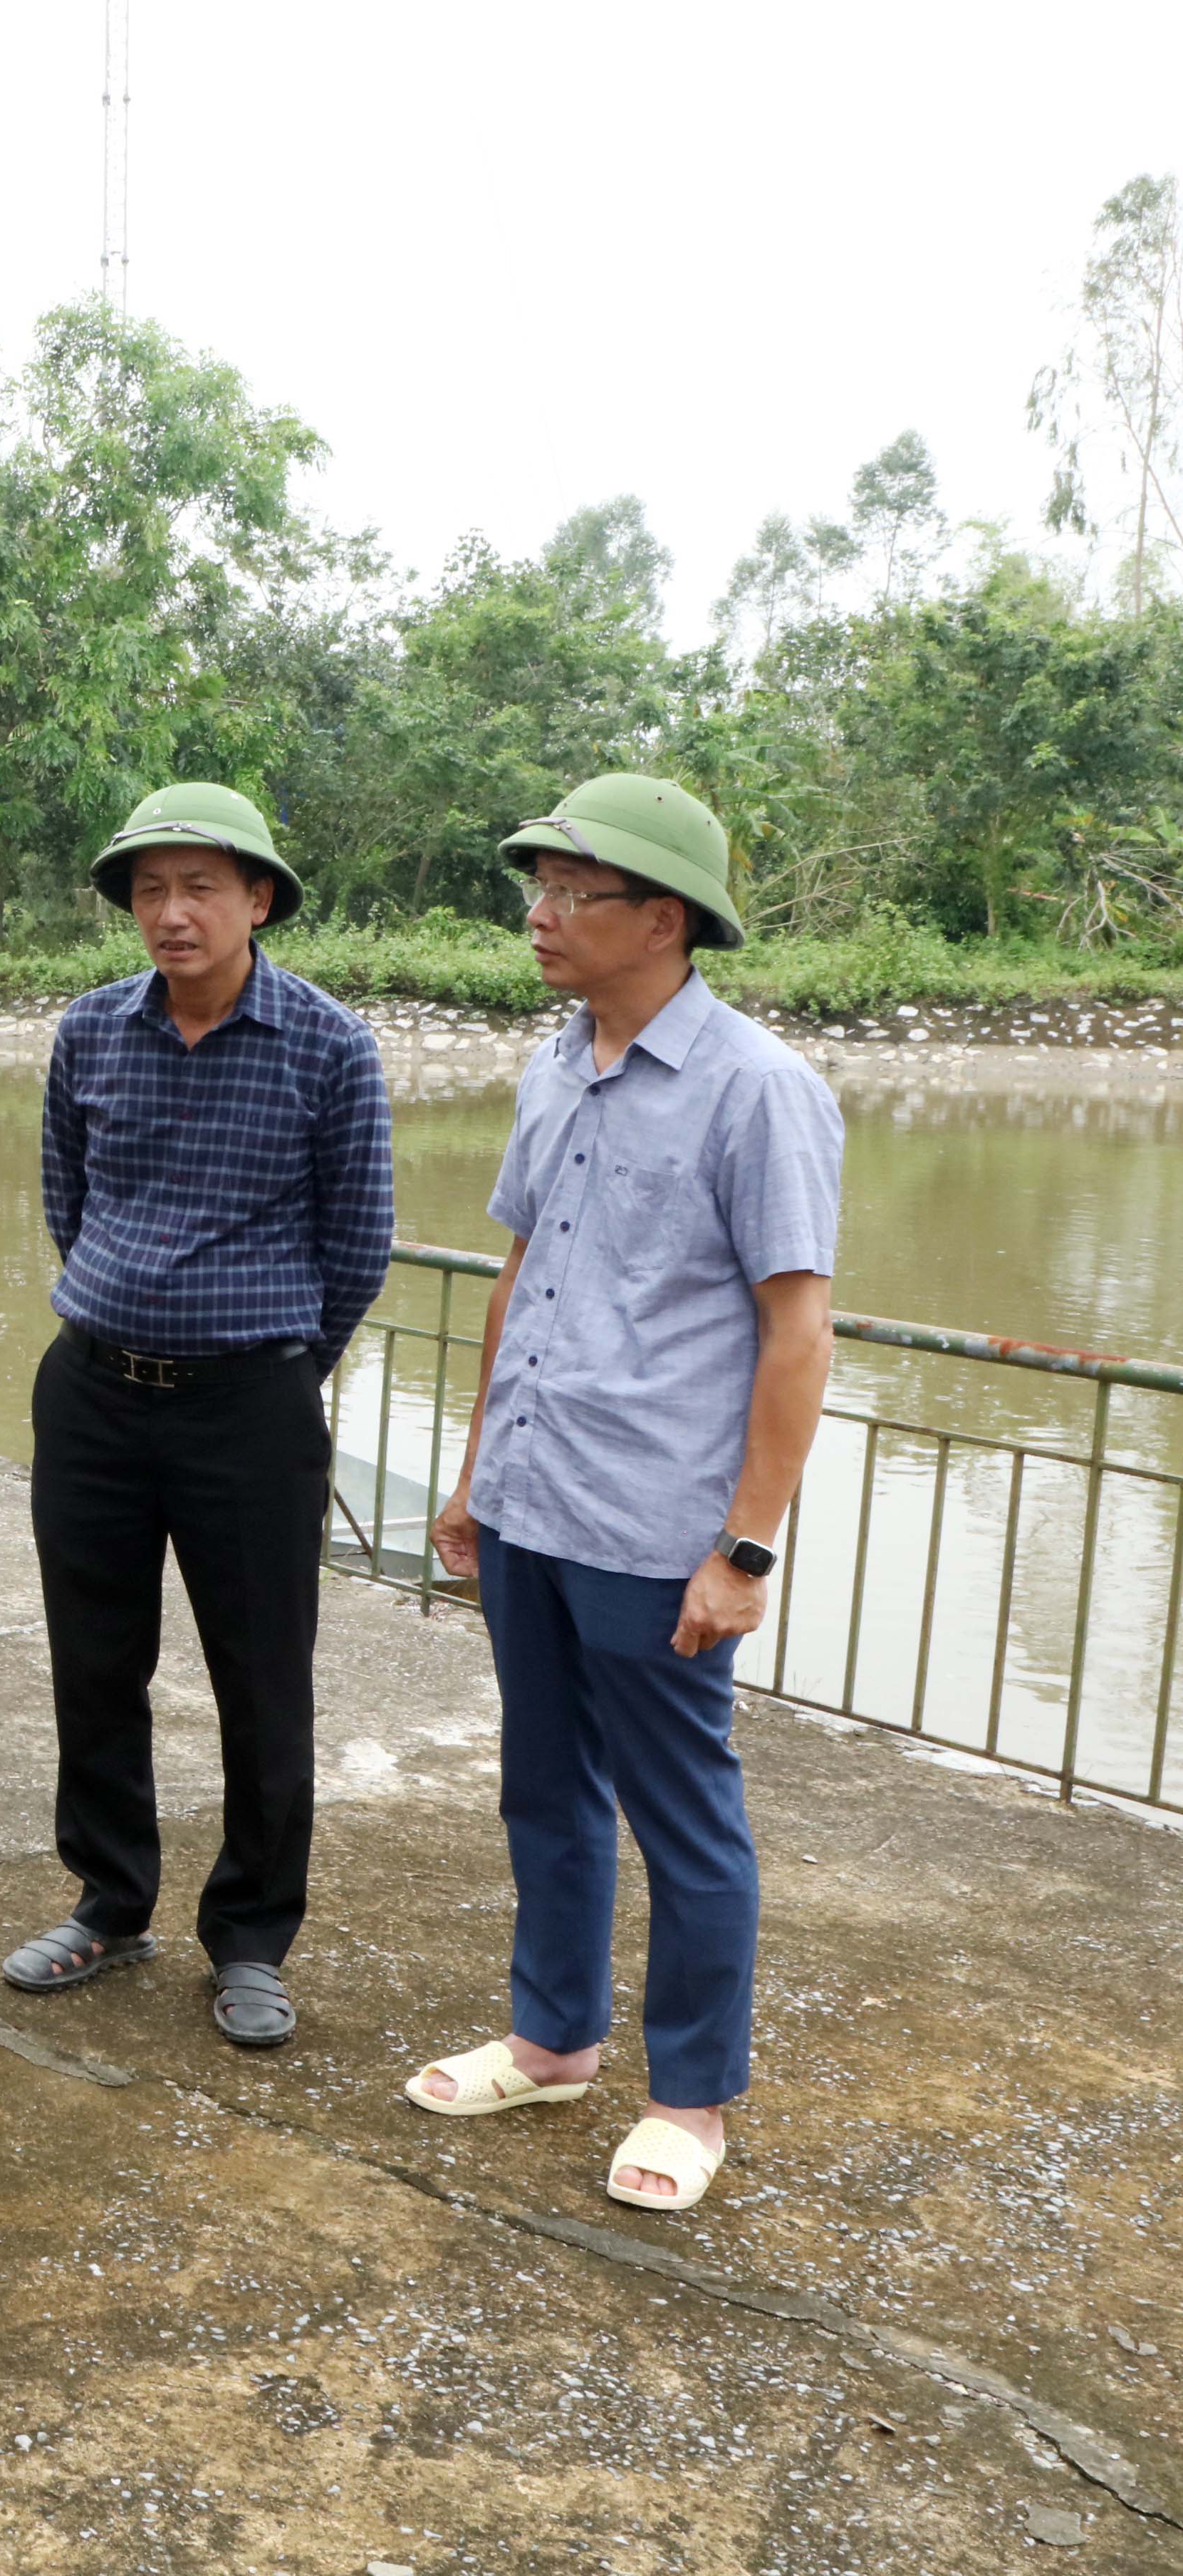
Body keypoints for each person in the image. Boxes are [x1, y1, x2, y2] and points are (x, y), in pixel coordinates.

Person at [412, 774, 839, 2216]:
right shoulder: (553, 1064)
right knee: (541, 1781)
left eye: (568, 892)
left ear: (660, 917)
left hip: (655, 1521)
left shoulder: (756, 1088)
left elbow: (795, 1329)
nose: (535, 915)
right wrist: (474, 1468)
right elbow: (518, 1273)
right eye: (532, 887)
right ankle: (551, 2038)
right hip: (533, 1496)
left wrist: (744, 1546)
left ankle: (687, 2097)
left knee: (682, 1811)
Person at [1, 784, 393, 2050]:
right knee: (95, 1660)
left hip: (250, 1410)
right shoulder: (91, 1032)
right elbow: (71, 1197)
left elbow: (359, 1244)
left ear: (259, 900)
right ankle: (111, 1901)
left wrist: (274, 1370)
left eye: (200, 888)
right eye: (150, 891)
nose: (171, 915)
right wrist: (130, 1313)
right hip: (96, 1394)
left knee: (261, 1677)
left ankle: (252, 1938)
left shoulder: (329, 1046)